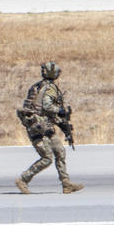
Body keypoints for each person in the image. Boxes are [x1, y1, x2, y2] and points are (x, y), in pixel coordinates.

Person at [15, 61, 84, 194]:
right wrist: (60, 111)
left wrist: (62, 123)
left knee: (59, 151)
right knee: (47, 158)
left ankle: (66, 183)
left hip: (44, 125)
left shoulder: (37, 86)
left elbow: (41, 109)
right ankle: (23, 179)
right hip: (38, 127)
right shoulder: (49, 88)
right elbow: (46, 107)